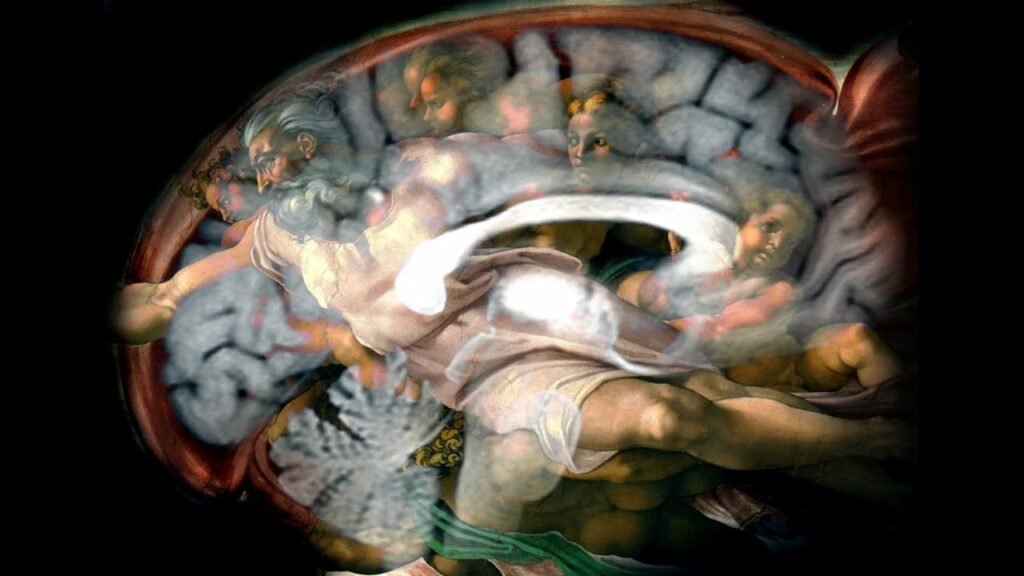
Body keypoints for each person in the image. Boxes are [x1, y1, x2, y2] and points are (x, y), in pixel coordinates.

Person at [630, 187, 902, 392]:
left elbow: (723, 328)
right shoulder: (702, 271)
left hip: (792, 370)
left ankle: (898, 417)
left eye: (790, 241)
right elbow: (653, 302)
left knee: (857, 338)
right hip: (737, 384)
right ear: (739, 223)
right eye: (770, 227)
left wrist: (664, 328)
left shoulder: (778, 288)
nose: (777, 243)